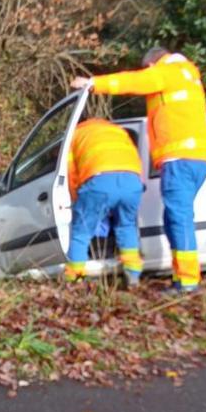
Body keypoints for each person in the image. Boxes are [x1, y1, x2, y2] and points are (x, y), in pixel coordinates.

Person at [71, 47, 206, 293]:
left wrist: (93, 83)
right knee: (172, 218)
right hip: (197, 157)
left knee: (179, 218)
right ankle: (178, 278)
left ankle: (188, 281)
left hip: (180, 158)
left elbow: (133, 81)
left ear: (151, 65)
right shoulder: (188, 75)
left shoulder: (169, 72)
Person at [65, 118, 144, 287]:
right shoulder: (118, 130)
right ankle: (133, 274)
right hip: (132, 181)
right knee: (126, 226)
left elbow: (71, 173)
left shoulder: (75, 134)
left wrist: (76, 198)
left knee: (81, 233)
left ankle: (75, 279)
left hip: (99, 181)